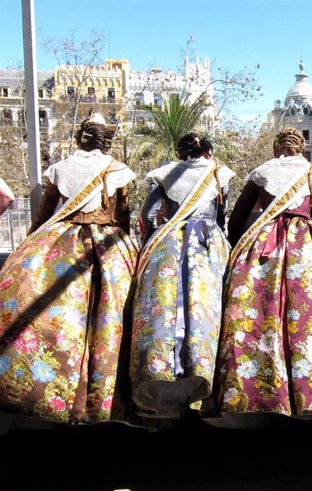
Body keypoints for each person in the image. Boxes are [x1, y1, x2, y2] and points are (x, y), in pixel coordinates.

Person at [0, 113, 137, 424]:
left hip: (60, 243)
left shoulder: (61, 169)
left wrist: (27, 249)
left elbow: (44, 214)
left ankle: (50, 395)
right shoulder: (119, 171)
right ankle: (101, 402)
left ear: (79, 137)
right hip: (107, 248)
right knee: (110, 317)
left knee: (59, 319)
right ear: (107, 140)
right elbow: (122, 217)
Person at [214, 127, 312, 425]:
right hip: (308, 246)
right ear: (303, 148)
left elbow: (239, 216)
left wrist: (237, 246)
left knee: (257, 310)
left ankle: (257, 391)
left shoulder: (262, 171)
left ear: (275, 146)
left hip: (265, 245)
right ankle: (311, 395)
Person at [129, 132, 234, 421]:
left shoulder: (165, 174)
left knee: (163, 309)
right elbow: (222, 215)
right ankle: (206, 384)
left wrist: (153, 240)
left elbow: (149, 215)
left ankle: (162, 380)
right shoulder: (220, 173)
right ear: (209, 152)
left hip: (170, 244)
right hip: (207, 244)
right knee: (211, 309)